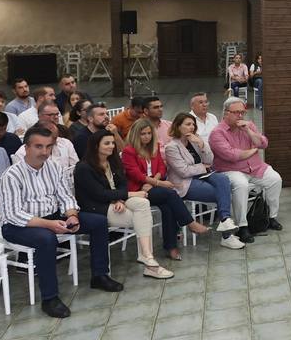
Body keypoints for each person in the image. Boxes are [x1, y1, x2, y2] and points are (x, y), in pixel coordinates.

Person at [0, 126, 124, 318]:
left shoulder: (54, 167)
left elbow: (65, 196)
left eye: (48, 147)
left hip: (53, 216)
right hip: (19, 225)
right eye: (38, 147)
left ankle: (99, 275)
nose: (44, 152)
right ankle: (50, 298)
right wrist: (49, 225)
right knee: (47, 239)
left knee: (98, 222)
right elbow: (13, 214)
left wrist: (71, 215)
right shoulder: (12, 175)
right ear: (26, 147)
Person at [74, 130, 173, 280]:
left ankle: (147, 257)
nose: (112, 146)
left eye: (113, 143)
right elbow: (99, 194)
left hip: (116, 200)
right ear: (95, 146)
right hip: (96, 207)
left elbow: (122, 185)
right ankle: (149, 260)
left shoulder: (113, 161)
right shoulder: (84, 167)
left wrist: (120, 199)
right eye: (107, 143)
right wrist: (127, 195)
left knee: (143, 203)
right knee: (141, 217)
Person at [121, 117, 209, 261]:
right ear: (136, 134)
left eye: (149, 133)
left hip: (152, 186)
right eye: (143, 134)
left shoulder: (153, 146)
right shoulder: (129, 151)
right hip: (138, 190)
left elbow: (162, 167)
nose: (147, 137)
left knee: (168, 207)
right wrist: (158, 183)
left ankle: (171, 247)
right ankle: (190, 223)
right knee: (170, 194)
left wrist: (154, 181)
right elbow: (134, 173)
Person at [210, 97, 284, 241]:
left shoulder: (248, 125)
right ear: (226, 113)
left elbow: (263, 144)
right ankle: (242, 226)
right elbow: (231, 155)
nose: (240, 116)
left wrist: (249, 131)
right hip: (231, 169)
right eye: (236, 112)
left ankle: (270, 217)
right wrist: (251, 151)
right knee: (241, 185)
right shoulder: (217, 133)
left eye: (242, 112)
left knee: (275, 179)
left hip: (255, 167)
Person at [165, 112, 240, 248]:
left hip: (203, 176)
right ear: (178, 126)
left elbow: (209, 161)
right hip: (185, 183)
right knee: (222, 193)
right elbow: (183, 171)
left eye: (193, 124)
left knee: (223, 179)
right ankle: (227, 234)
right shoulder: (171, 147)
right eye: (188, 124)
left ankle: (225, 221)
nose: (192, 127)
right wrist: (202, 168)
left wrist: (201, 144)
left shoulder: (194, 140)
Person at [13, 101, 79, 182]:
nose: (55, 117)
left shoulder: (65, 139)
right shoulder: (28, 140)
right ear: (39, 116)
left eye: (56, 114)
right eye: (50, 115)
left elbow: (75, 167)